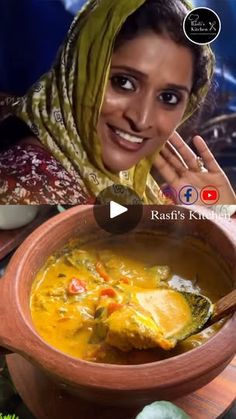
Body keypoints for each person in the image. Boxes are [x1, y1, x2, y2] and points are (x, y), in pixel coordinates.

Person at [0, 0, 235, 205]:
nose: (141, 120)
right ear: (81, 70)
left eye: (168, 97)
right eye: (123, 82)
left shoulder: (134, 179)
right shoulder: (33, 186)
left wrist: (221, 215)